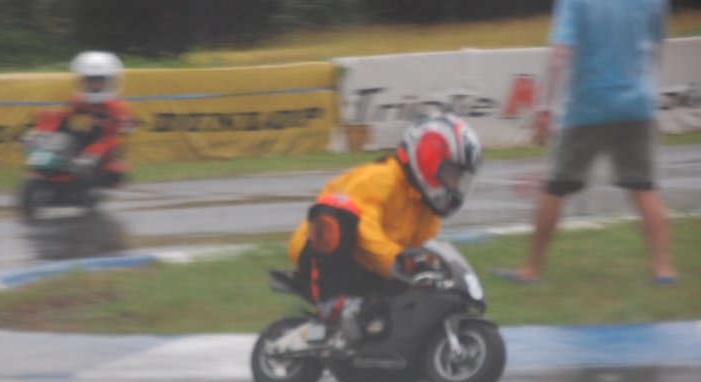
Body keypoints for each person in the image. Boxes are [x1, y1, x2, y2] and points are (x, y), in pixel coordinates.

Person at [496, 0, 676, 284]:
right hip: (637, 102)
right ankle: (663, 269)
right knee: (644, 186)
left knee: (556, 187)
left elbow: (560, 52)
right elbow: (657, 46)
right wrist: (649, 92)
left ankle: (531, 269)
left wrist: (545, 108)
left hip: (588, 105)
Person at [287, 114, 481, 344]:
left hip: (368, 266)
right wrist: (399, 261)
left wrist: (429, 269)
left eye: (459, 179)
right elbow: (365, 229)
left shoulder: (428, 214)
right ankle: (330, 302)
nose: (455, 185)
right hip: (319, 253)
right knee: (338, 215)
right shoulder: (382, 178)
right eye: (452, 175)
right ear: (429, 160)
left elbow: (419, 252)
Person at [34, 51, 134, 187]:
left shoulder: (116, 106)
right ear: (83, 81)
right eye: (90, 81)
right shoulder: (78, 100)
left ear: (109, 81)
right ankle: (50, 175)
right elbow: (62, 118)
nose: (94, 85)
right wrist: (42, 129)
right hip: (83, 141)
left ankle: (88, 181)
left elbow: (123, 129)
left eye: (99, 81)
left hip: (104, 145)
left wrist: (123, 125)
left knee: (104, 167)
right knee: (59, 140)